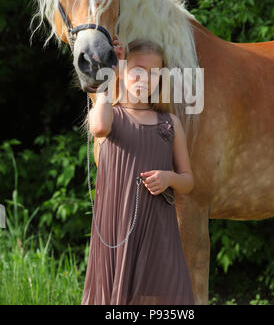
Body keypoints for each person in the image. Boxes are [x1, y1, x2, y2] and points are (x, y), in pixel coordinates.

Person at [81, 35, 195, 305]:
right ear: (122, 72)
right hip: (115, 222)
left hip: (158, 223)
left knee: (163, 290)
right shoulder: (111, 114)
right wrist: (112, 72)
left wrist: (169, 178)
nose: (145, 79)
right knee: (115, 295)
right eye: (137, 72)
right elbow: (98, 129)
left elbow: (188, 181)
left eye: (154, 73)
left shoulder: (169, 123)